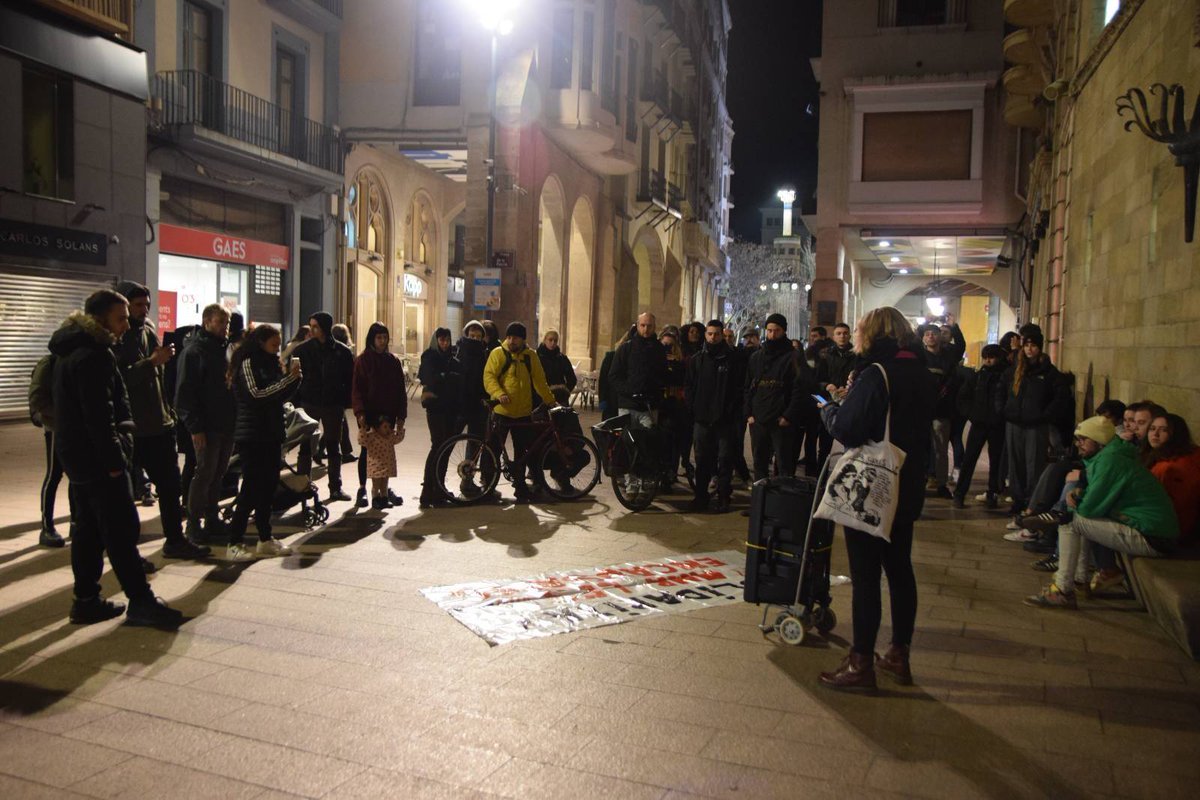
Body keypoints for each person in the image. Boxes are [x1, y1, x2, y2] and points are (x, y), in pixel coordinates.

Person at [816, 307, 936, 691]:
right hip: (909, 480)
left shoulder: (876, 373)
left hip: (873, 487)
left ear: (871, 334)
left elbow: (850, 427)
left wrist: (830, 410)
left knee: (866, 575)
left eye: (860, 332)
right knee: (900, 568)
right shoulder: (920, 370)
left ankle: (860, 663)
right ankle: (899, 653)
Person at [51, 288, 183, 628]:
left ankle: (86, 601)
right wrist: (115, 461)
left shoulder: (71, 349)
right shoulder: (94, 355)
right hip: (99, 460)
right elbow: (99, 418)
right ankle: (140, 601)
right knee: (121, 531)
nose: (127, 324)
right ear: (100, 319)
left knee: (88, 530)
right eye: (121, 317)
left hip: (78, 457)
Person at [1025, 415, 1180, 608]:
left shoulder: (1111, 461)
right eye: (1077, 439)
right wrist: (1080, 494)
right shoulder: (1109, 456)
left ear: (1099, 441)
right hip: (1149, 529)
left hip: (1152, 536)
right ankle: (1079, 580)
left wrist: (1077, 501)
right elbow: (1101, 495)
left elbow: (1090, 508)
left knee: (1070, 521)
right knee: (1075, 517)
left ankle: (1063, 589)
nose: (1078, 444)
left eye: (1083, 439)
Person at [115, 281, 210, 561]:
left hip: (159, 422)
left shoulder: (147, 330)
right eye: (138, 305)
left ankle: (175, 540)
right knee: (125, 495)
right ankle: (128, 553)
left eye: (146, 304)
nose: (144, 309)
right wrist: (152, 363)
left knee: (169, 487)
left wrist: (170, 411)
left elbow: (159, 376)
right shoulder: (117, 337)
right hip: (133, 427)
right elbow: (119, 379)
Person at [225, 325, 302, 561]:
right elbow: (256, 395)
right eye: (274, 344)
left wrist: (294, 380)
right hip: (253, 434)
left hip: (271, 433)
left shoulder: (271, 362)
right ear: (260, 342)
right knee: (250, 488)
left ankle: (265, 539)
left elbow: (277, 396)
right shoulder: (248, 362)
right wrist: (287, 380)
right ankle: (234, 543)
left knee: (268, 488)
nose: (277, 349)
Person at [175, 304, 237, 545]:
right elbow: (184, 393)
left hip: (226, 423)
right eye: (221, 322)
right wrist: (194, 426)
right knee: (204, 473)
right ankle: (193, 523)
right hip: (207, 426)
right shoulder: (194, 352)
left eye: (227, 323)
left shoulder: (225, 350)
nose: (225, 328)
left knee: (219, 473)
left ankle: (212, 518)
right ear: (207, 322)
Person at [1002, 324, 1070, 520]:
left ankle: (1032, 501)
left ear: (1039, 347)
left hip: (1036, 425)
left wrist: (1045, 415)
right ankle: (1017, 499)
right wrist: (1005, 409)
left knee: (1034, 464)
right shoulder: (1016, 369)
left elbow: (1060, 396)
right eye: (1027, 345)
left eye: (1033, 345)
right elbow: (1003, 388)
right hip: (1014, 422)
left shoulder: (1048, 372)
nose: (1030, 349)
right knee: (1015, 463)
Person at [482, 322, 556, 503]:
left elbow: (540, 381)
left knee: (522, 451)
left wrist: (550, 401)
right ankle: (487, 486)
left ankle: (520, 487)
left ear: (523, 339)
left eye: (515, 337)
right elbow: (489, 376)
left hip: (523, 412)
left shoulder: (530, 357)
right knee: (493, 449)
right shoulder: (498, 354)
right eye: (509, 337)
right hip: (502, 411)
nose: (511, 340)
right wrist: (499, 394)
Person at [292, 311, 356, 503]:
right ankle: (302, 486)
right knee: (305, 447)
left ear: (325, 328)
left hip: (332, 404)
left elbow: (349, 379)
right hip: (309, 402)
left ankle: (335, 488)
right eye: (310, 326)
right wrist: (297, 401)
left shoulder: (342, 351)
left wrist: (344, 402)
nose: (311, 330)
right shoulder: (302, 350)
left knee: (333, 446)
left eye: (315, 327)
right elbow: (295, 377)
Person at [744, 313, 813, 482]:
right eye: (769, 331)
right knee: (759, 463)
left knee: (784, 465)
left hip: (782, 421)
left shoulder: (794, 357)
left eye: (776, 331)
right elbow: (748, 386)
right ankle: (761, 503)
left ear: (784, 331)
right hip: (759, 419)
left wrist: (788, 416)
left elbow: (799, 389)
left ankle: (781, 504)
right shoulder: (756, 357)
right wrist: (749, 413)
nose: (772, 335)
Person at [686, 320, 746, 513]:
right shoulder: (697, 360)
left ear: (722, 335)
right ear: (706, 335)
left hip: (725, 421)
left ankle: (723, 497)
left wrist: (731, 411)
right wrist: (694, 408)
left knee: (724, 460)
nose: (713, 337)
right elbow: (690, 387)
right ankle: (701, 496)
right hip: (702, 419)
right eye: (710, 334)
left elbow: (739, 388)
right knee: (702, 460)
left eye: (717, 334)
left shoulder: (733, 359)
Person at [352, 322, 408, 510]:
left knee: (385, 453)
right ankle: (363, 488)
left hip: (388, 415)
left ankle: (383, 490)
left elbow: (401, 390)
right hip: (370, 415)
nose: (382, 341)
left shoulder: (392, 361)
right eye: (379, 338)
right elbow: (357, 389)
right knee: (366, 452)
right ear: (372, 339)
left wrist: (401, 416)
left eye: (385, 337)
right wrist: (360, 413)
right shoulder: (363, 360)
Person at [952, 344, 1008, 509]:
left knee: (995, 460)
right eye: (986, 357)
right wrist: (972, 414)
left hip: (996, 425)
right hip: (979, 423)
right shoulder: (977, 376)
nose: (988, 360)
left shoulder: (1004, 376)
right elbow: (963, 397)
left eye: (991, 357)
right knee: (969, 459)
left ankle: (992, 493)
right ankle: (960, 493)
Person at [918, 318, 965, 498]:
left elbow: (961, 346)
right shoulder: (919, 356)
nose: (930, 337)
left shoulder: (948, 356)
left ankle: (941, 483)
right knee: (921, 447)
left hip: (942, 409)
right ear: (923, 338)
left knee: (941, 449)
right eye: (927, 334)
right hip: (921, 409)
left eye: (934, 334)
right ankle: (920, 481)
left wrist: (954, 326)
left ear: (940, 337)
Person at [418, 327, 460, 508]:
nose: (444, 343)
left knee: (446, 447)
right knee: (438, 446)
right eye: (441, 340)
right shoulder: (429, 356)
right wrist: (446, 376)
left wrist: (445, 377)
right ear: (436, 340)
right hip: (435, 408)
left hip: (450, 408)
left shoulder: (453, 357)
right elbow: (428, 378)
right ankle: (428, 490)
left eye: (447, 340)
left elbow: (457, 379)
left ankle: (439, 489)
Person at [1143, 413, 1200, 545]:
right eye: (1152, 429)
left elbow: (1174, 508)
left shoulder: (1169, 467)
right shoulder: (1164, 457)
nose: (1155, 434)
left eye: (1164, 430)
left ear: (1176, 434)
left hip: (1169, 533)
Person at [609, 312, 666, 429]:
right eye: (643, 325)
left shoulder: (659, 349)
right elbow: (614, 376)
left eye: (649, 326)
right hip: (628, 405)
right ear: (638, 325)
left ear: (654, 327)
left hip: (649, 406)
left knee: (647, 442)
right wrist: (630, 390)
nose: (646, 329)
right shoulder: (626, 348)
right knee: (626, 441)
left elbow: (662, 374)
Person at [659, 326, 689, 488]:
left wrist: (675, 364)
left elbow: (681, 381)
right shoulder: (656, 361)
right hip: (659, 407)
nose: (667, 348)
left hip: (675, 408)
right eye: (664, 345)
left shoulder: (680, 364)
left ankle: (671, 473)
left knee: (673, 443)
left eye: (670, 345)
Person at [331, 323, 358, 464]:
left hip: (333, 392)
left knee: (340, 422)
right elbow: (350, 373)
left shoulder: (331, 349)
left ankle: (346, 451)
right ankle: (344, 451)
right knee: (338, 423)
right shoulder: (344, 351)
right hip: (340, 393)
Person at [536, 330, 577, 407]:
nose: (553, 343)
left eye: (555, 340)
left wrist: (565, 391)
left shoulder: (562, 358)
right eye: (550, 340)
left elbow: (572, 378)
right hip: (540, 397)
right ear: (545, 340)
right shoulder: (536, 358)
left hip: (560, 397)